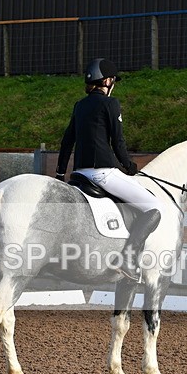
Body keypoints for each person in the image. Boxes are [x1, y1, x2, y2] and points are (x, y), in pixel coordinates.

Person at [56, 58, 163, 282]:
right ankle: (129, 259)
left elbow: (67, 142)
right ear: (106, 81)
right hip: (102, 173)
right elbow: (118, 142)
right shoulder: (110, 103)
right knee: (154, 206)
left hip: (79, 174)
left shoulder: (79, 105)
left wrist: (59, 174)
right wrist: (129, 166)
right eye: (113, 80)